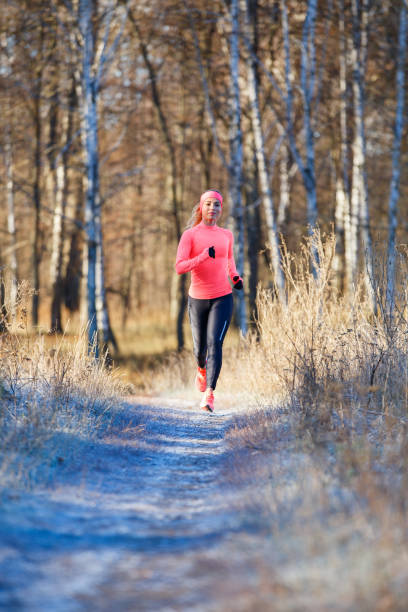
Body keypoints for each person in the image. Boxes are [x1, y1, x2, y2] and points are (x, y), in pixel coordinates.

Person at [175, 189, 243, 412]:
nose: (213, 208)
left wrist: (235, 277)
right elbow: (180, 267)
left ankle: (209, 395)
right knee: (199, 350)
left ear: (221, 209)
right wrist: (203, 255)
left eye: (217, 205)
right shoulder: (190, 235)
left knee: (216, 343)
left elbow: (229, 259)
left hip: (223, 297)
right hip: (198, 299)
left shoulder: (226, 235)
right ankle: (201, 369)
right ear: (201, 207)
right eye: (209, 204)